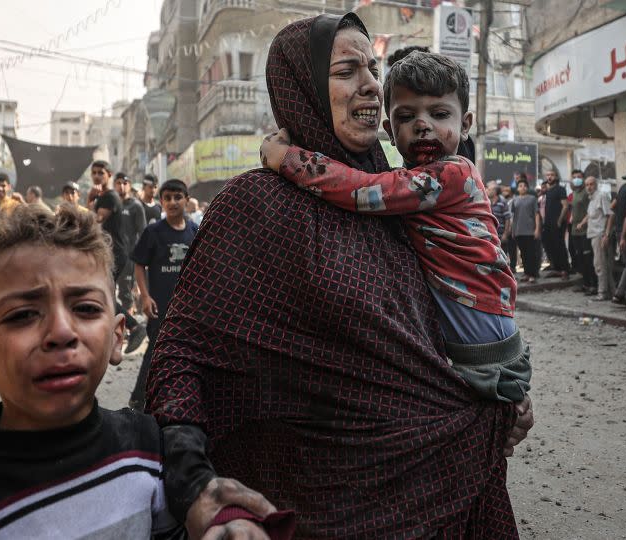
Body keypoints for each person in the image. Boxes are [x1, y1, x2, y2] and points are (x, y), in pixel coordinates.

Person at [146, 14, 533, 537]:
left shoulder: (402, 200)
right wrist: (192, 479)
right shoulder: (253, 205)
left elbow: (442, 325)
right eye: (347, 70)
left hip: (438, 486)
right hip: (308, 500)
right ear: (300, 85)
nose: (372, 83)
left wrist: (498, 406)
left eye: (373, 68)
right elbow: (185, 352)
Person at [0, 205, 276, 540]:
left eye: (85, 309)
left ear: (118, 338)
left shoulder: (153, 453)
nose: (61, 333)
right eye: (23, 315)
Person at [261, 50, 530, 403]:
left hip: (489, 357)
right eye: (407, 116)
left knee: (489, 432)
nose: (423, 125)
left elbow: (362, 191)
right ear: (389, 130)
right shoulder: (412, 179)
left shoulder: (452, 174)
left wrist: (287, 159)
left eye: (439, 114)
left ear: (465, 124)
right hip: (468, 351)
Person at [129, 179, 198, 410]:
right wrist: (145, 296)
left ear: (186, 200)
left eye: (177, 197)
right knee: (155, 350)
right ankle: (138, 399)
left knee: (185, 353)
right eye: (167, 198)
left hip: (187, 308)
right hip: (160, 306)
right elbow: (139, 265)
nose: (172, 202)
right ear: (161, 202)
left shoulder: (193, 231)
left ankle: (177, 396)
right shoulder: (153, 232)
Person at [91, 161, 146, 353]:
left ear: (109, 175)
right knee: (103, 295)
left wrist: (89, 205)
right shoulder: (102, 196)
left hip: (116, 254)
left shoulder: (110, 197)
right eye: (94, 173)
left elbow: (96, 220)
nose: (97, 177)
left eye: (101, 173)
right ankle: (124, 331)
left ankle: (134, 327)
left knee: (103, 295)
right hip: (107, 253)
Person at [113, 172, 147, 317]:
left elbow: (144, 234)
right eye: (118, 183)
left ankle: (129, 327)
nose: (121, 186)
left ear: (129, 185)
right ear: (114, 185)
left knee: (125, 293)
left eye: (124, 183)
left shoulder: (136, 206)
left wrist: (140, 258)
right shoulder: (111, 204)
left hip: (128, 257)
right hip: (109, 255)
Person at [581, 176, 613, 300]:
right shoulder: (592, 199)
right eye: (587, 185)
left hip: (600, 234)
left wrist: (607, 234)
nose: (589, 187)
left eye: (591, 184)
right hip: (593, 234)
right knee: (602, 264)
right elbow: (590, 216)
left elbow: (610, 215)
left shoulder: (601, 196)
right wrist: (582, 223)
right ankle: (610, 291)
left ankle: (602, 292)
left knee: (599, 264)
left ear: (596, 184)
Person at [510, 178, 542, 283]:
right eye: (520, 186)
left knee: (531, 253)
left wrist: (537, 229)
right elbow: (513, 217)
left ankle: (533, 274)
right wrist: (513, 230)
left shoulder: (532, 198)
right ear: (517, 188)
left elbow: (536, 214)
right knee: (523, 254)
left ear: (527, 188)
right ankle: (527, 273)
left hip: (530, 230)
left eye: (524, 186)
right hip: (519, 230)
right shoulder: (515, 200)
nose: (522, 187)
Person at [569, 170, 596, 294]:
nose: (576, 179)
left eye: (579, 177)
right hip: (575, 230)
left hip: (585, 230)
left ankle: (593, 285)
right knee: (579, 258)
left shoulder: (586, 193)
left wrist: (582, 223)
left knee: (588, 258)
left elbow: (589, 212)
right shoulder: (574, 192)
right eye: (574, 177)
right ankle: (585, 284)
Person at [540, 170, 570, 277]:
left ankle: (565, 270)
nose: (549, 177)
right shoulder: (547, 191)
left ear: (556, 177)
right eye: (548, 175)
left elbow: (565, 206)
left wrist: (560, 220)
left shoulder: (560, 189)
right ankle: (557, 268)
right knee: (551, 245)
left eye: (552, 175)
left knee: (559, 245)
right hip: (548, 223)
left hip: (557, 223)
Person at [613, 172, 626, 303]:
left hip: (621, 231)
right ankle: (620, 293)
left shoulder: (622, 189)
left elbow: (612, 206)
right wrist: (623, 236)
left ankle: (622, 294)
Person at [489, 184, 511, 249]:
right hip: (491, 235)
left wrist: (505, 234)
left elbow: (507, 218)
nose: (487, 191)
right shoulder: (488, 201)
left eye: (489, 189)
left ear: (495, 191)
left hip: (501, 235)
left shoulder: (502, 202)